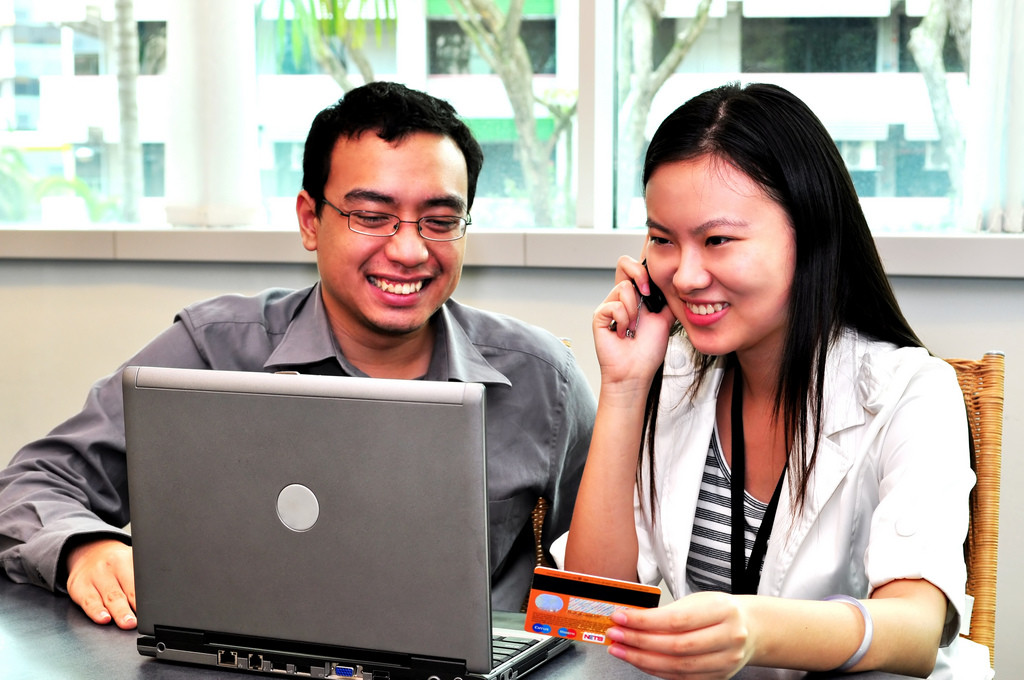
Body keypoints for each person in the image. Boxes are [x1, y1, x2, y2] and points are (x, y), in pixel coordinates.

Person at [0, 81, 595, 630]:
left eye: (440, 221)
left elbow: (602, 576)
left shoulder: (544, 384)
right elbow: (31, 482)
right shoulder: (211, 352)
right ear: (311, 220)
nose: (411, 250)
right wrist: (85, 546)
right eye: (371, 216)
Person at [561, 83, 991, 679]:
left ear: (808, 234)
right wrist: (626, 385)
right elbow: (590, 613)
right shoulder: (674, 377)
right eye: (662, 239)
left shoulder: (910, 391)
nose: (684, 275)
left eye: (718, 240)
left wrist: (757, 628)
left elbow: (916, 631)